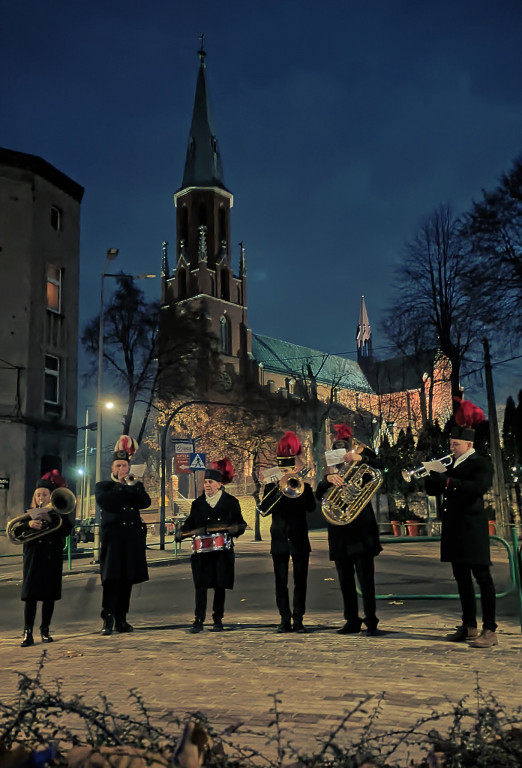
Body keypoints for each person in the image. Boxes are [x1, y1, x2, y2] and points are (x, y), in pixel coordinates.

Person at [424, 399, 497, 648]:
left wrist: (447, 482)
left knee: (483, 578)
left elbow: (477, 488)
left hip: (472, 528)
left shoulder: (481, 463)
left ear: (468, 444)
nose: (452, 447)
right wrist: (431, 475)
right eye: (451, 444)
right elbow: (435, 491)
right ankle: (469, 625)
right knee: (461, 579)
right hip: (454, 528)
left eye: (455, 444)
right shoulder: (452, 464)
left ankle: (490, 629)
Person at [316, 424, 383, 636]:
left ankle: (371, 620)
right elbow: (319, 494)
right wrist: (327, 480)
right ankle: (351, 620)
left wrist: (361, 459)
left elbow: (381, 466)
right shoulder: (332, 473)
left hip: (361, 529)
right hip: (340, 531)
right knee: (345, 580)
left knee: (366, 579)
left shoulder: (363, 462)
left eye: (344, 449)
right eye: (337, 450)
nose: (341, 454)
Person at [177, 458, 246, 633]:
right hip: (202, 553)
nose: (207, 485)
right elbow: (190, 524)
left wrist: (235, 529)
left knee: (219, 585)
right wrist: (181, 532)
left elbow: (241, 524)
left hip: (222, 552)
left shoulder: (231, 502)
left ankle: (217, 619)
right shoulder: (198, 504)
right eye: (205, 482)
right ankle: (198, 620)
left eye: (210, 482)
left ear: (219, 484)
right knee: (200, 586)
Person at [259, 430, 316, 633]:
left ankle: (298, 618)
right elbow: (264, 510)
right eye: (284, 470)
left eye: (290, 468)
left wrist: (297, 488)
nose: (287, 472)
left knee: (301, 581)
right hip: (280, 540)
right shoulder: (272, 488)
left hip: (299, 539)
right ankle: (284, 618)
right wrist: (276, 488)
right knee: (280, 582)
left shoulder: (304, 487)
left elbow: (311, 507)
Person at [95, 435, 151, 635]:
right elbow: (107, 503)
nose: (122, 470)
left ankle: (122, 619)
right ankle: (107, 619)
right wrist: (120, 485)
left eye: (125, 466)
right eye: (118, 466)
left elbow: (145, 503)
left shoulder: (134, 485)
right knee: (111, 580)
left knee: (127, 580)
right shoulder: (104, 486)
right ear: (112, 468)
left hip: (130, 540)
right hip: (113, 540)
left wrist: (133, 486)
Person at [17, 470, 75, 647]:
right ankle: (28, 632)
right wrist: (28, 524)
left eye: (45, 494)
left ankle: (45, 630)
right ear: (35, 497)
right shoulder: (27, 513)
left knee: (49, 596)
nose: (42, 497)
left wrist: (54, 515)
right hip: (33, 558)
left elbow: (67, 530)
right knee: (31, 597)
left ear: (50, 497)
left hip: (51, 558)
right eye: (39, 495)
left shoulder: (58, 514)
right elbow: (16, 532)